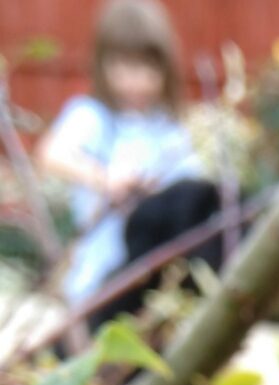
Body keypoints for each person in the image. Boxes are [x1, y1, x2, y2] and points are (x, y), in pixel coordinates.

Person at [36, 0, 221, 332]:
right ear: (102, 65)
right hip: (101, 276)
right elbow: (52, 154)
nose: (135, 81)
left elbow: (188, 189)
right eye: (124, 66)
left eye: (147, 68)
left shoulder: (167, 128)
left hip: (152, 282)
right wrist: (104, 179)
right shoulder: (94, 117)